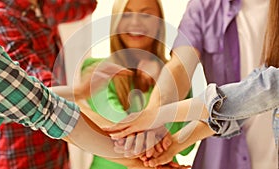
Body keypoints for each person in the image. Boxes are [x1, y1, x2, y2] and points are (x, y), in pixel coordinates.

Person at [104, 0, 279, 167]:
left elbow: (267, 88)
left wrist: (159, 115)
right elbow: (180, 67)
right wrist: (168, 136)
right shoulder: (205, 7)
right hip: (221, 155)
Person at [0, 0, 98, 168]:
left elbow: (86, 4)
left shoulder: (43, 6)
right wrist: (80, 92)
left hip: (56, 152)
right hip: (23, 158)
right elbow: (45, 96)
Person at [81, 0, 194, 168]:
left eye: (145, 14)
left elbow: (186, 145)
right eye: (126, 14)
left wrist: (161, 81)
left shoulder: (177, 74)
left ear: (159, 23)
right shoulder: (95, 69)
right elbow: (119, 129)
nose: (135, 22)